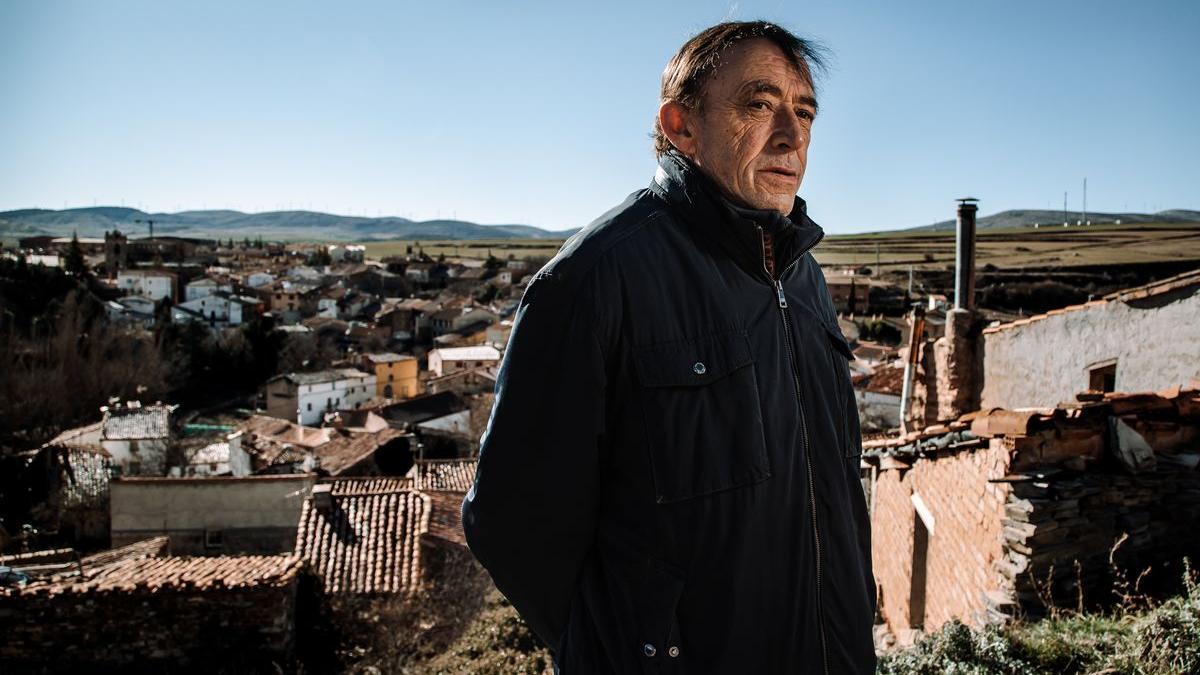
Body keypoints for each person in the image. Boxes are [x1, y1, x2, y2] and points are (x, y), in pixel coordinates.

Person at [462, 20, 877, 674]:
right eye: (759, 105)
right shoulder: (595, 279)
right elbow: (511, 523)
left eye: (804, 113)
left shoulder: (805, 277)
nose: (792, 136)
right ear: (682, 126)